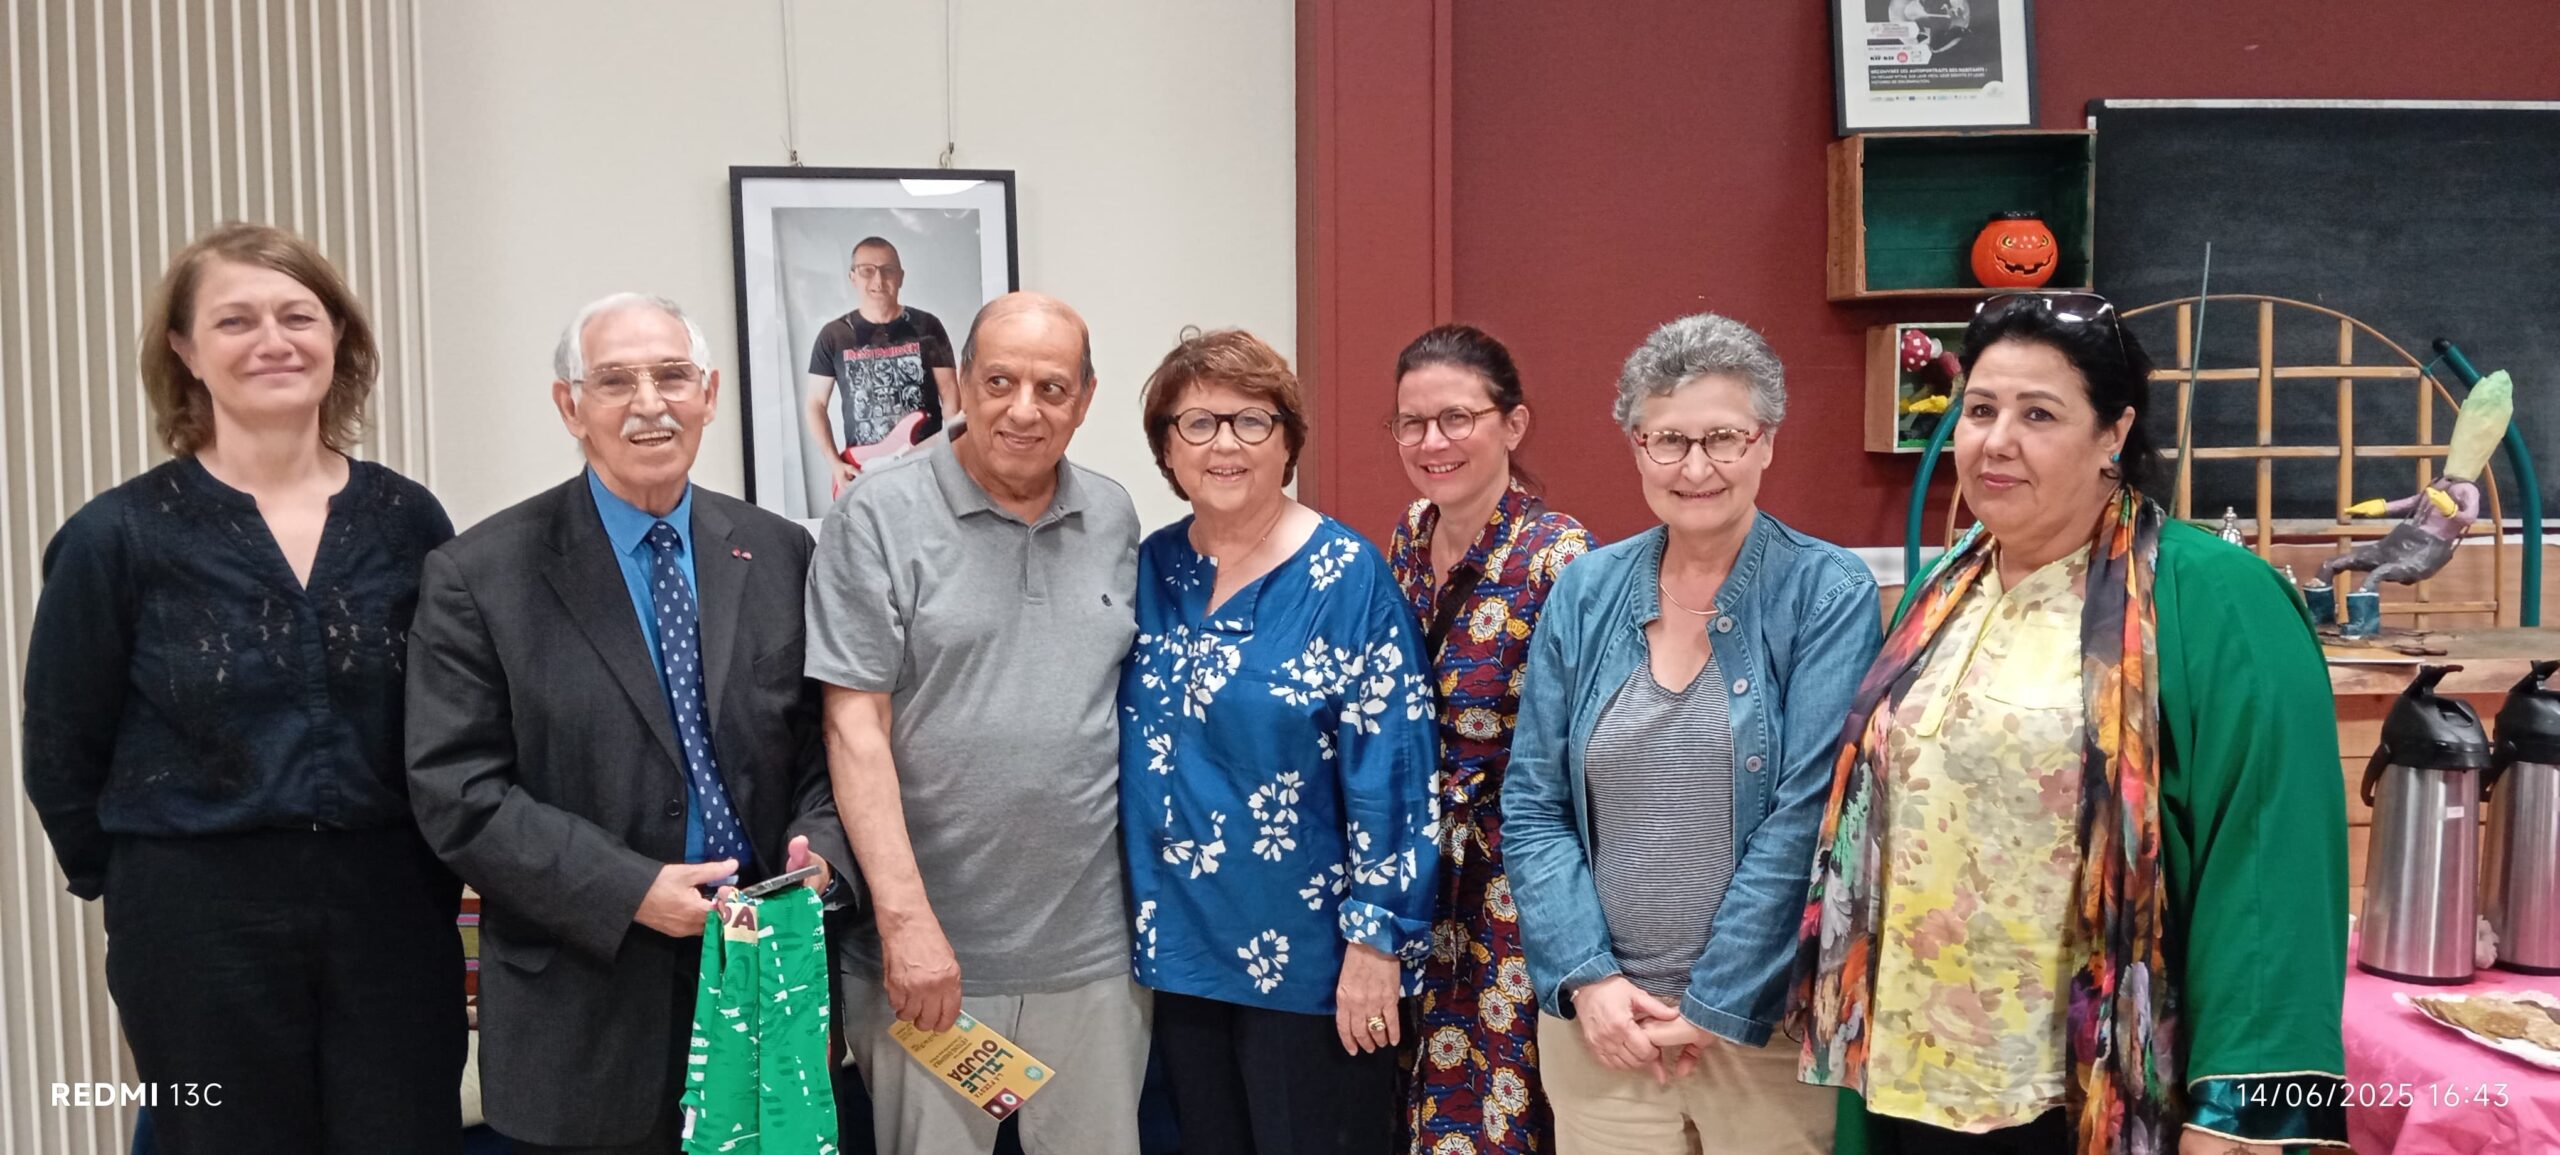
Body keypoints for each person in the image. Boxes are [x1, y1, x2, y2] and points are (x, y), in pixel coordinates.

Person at [1791, 293, 2351, 1155]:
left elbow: (2273, 868)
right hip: (1908, 1075)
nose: (1996, 440)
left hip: (2086, 1098)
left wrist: (2242, 1119)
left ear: (2113, 433)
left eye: (2039, 414)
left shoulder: (2218, 600)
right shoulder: (1943, 589)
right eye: (1981, 409)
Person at [21, 222, 465, 1153]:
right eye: (235, 320)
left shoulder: (408, 519)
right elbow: (61, 743)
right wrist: (133, 881)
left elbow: (450, 712)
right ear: (185, 350)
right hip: (195, 923)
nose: (274, 340)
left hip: (392, 910)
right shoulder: (116, 536)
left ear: (337, 337)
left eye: (298, 315)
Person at [406, 292, 848, 1155]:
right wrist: (630, 889)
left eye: (673, 375)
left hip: (767, 983)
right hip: (587, 1001)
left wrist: (821, 849)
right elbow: (457, 792)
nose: (650, 403)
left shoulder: (779, 550)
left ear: (709, 394)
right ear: (570, 406)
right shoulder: (480, 574)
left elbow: (820, 747)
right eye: (614, 381)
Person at [1503, 313, 1882, 1155]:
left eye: (1723, 438)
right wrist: (1589, 979)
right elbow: (1532, 806)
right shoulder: (1584, 592)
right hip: (1605, 1036)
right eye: (1669, 439)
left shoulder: (1826, 591)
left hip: (1764, 1036)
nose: (1696, 466)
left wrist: (1715, 1002)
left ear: (1766, 442)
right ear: (1637, 446)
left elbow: (1808, 816)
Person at [805, 292, 1149, 1155]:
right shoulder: (876, 513)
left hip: (1092, 957)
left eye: (1052, 387)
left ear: (1085, 398)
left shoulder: (1113, 516)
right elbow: (853, 730)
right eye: (1000, 381)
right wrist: (906, 926)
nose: (1024, 410)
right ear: (960, 382)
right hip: (930, 963)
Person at [1119, 327, 1443, 1155]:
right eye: (1198, 423)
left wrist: (1376, 943)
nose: (1224, 443)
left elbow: (1396, 772)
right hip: (1176, 955)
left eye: (1251, 421)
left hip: (1314, 966)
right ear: (1167, 448)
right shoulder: (1148, 570)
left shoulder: (1349, 577)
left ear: (1288, 440)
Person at [1382, 324, 1591, 1155]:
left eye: (1456, 418)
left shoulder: (1560, 558)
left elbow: (1581, 753)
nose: (1432, 441)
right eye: (1412, 422)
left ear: (1513, 423)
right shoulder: (1408, 535)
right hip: (1416, 870)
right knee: (1417, 1099)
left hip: (1512, 879)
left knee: (1506, 1104)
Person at [802, 236, 959, 493]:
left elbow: (950, 391)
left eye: (888, 270)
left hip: (925, 468)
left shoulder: (927, 326)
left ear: (901, 277)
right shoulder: (834, 335)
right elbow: (815, 404)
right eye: (867, 270)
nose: (878, 280)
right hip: (863, 471)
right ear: (852, 277)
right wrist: (835, 463)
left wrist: (951, 453)